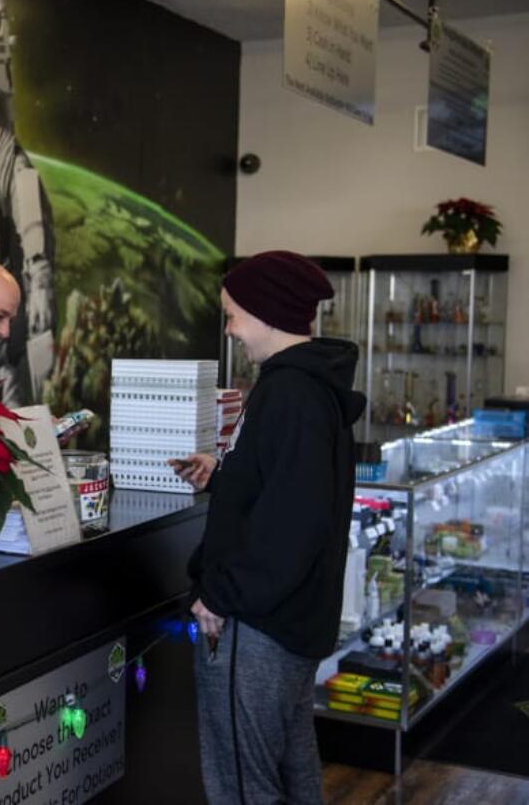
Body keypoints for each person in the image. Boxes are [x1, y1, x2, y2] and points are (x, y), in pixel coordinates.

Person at [172, 250, 366, 805]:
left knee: (243, 783)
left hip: (258, 628)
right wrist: (226, 473)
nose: (230, 329)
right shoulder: (309, 386)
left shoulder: (289, 392)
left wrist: (218, 596)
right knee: (293, 771)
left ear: (267, 313)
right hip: (293, 624)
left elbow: (292, 526)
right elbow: (288, 488)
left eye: (233, 315)